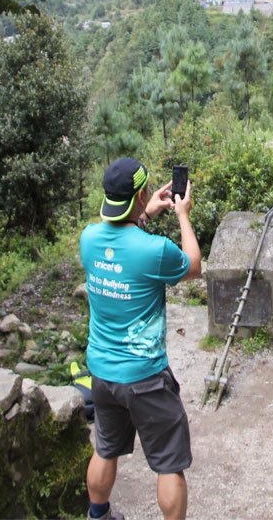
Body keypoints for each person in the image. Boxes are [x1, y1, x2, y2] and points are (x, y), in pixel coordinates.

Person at [80, 157, 202, 520]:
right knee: (168, 464)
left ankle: (98, 514)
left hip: (102, 373)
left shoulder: (88, 239)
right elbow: (194, 266)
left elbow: (119, 237)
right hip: (145, 377)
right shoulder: (155, 251)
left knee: (105, 449)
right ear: (142, 192)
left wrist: (144, 212)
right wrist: (182, 213)